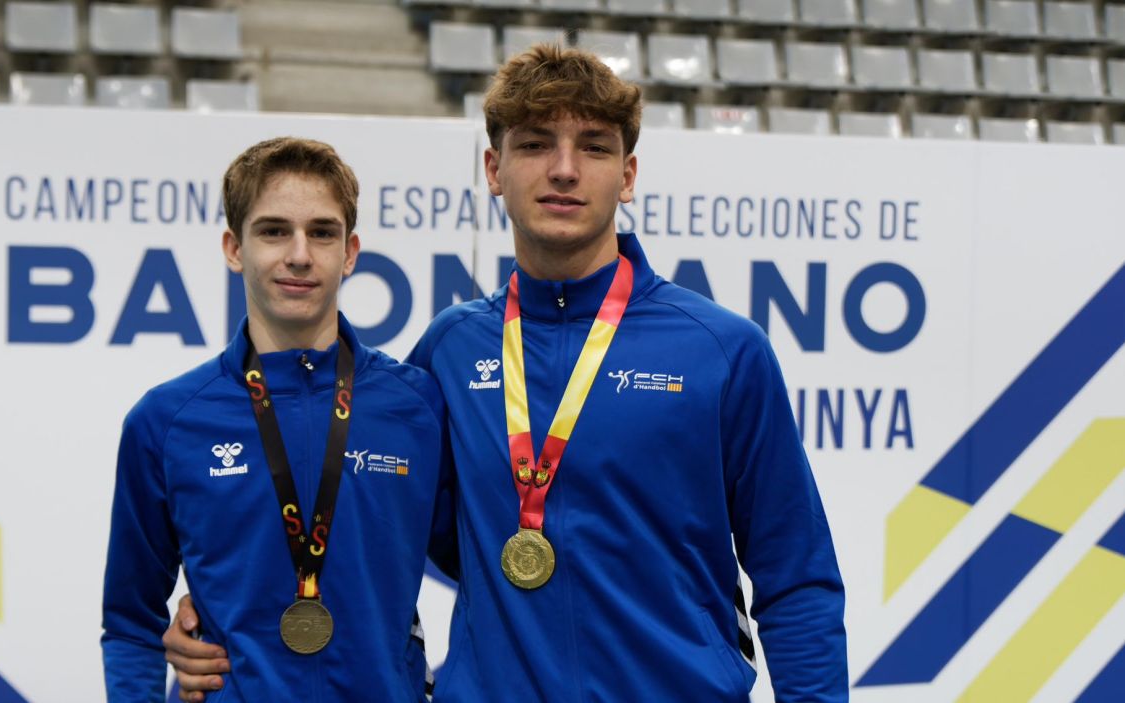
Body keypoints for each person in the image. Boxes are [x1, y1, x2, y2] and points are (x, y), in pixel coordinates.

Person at [166, 45, 847, 702]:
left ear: (628, 175)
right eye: (535, 144)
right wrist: (217, 610)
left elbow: (797, 577)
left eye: (594, 147)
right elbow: (357, 509)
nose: (564, 169)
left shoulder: (721, 351)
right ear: (494, 168)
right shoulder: (450, 350)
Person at [101, 137, 452, 701]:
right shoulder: (166, 422)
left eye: (322, 232)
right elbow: (129, 622)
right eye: (273, 231)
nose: (299, 255)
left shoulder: (418, 406)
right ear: (234, 248)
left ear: (350, 252)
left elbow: (488, 572)